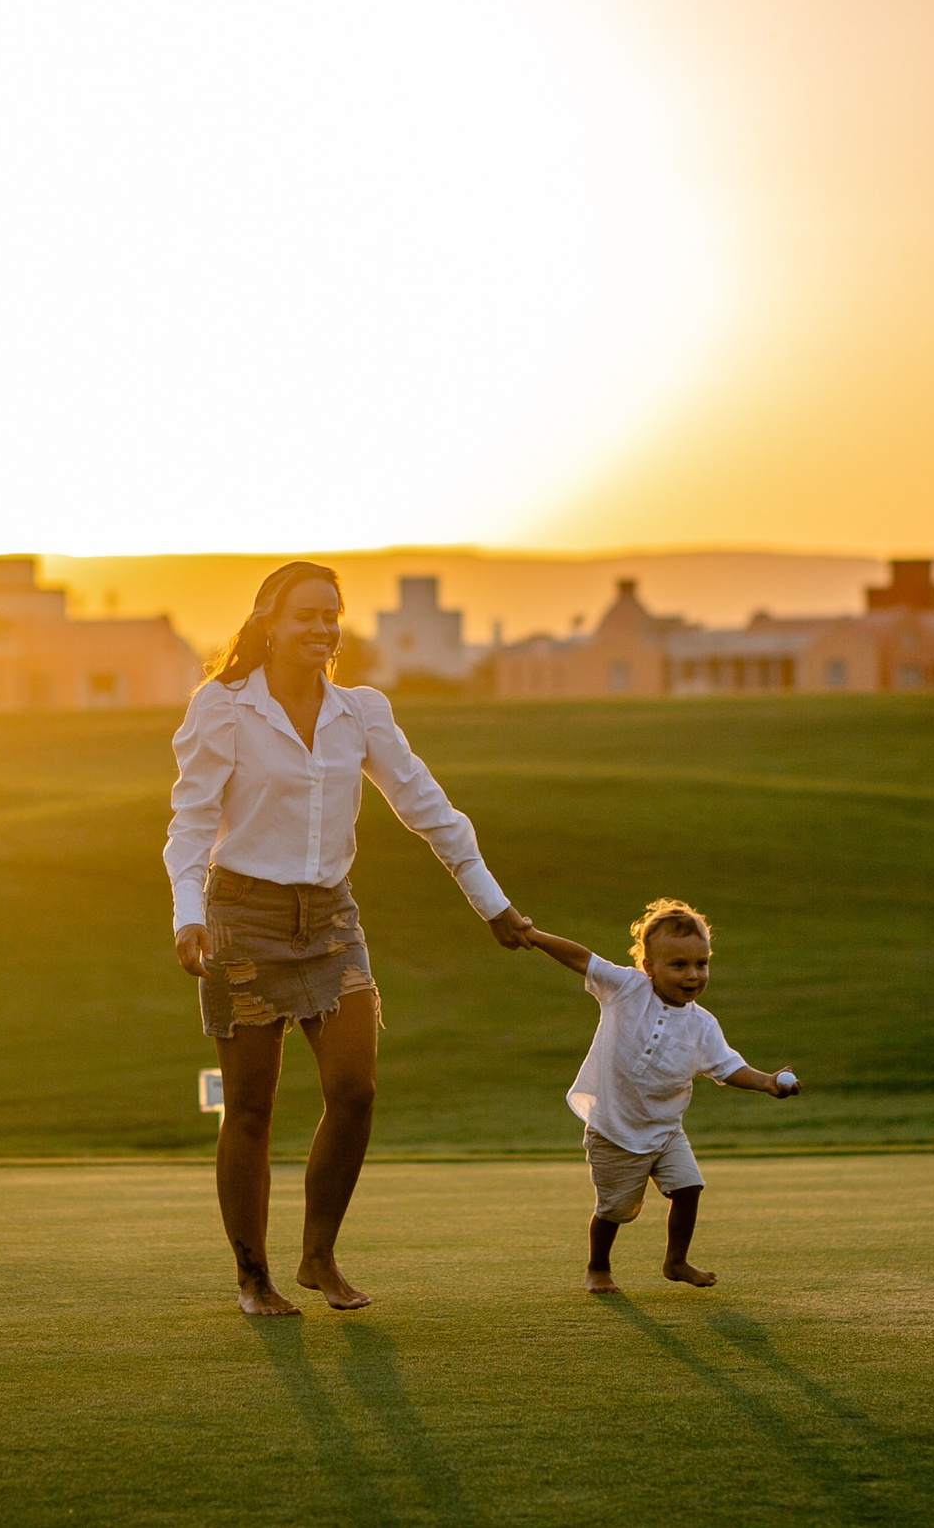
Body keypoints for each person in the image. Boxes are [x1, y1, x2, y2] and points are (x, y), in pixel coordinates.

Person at [167, 560, 535, 1316]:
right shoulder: (224, 707)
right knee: (250, 1109)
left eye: (332, 615)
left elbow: (429, 808)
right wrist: (186, 912)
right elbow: (193, 819)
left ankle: (318, 1255)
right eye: (306, 614)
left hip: (332, 919)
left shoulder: (361, 711)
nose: (322, 628)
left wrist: (493, 905)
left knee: (355, 1089)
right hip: (242, 915)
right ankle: (252, 1274)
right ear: (269, 620)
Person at [522, 899, 798, 1293]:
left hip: (666, 1129)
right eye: (678, 965)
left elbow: (726, 1066)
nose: (693, 975)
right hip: (614, 1129)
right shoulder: (626, 990)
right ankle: (598, 1266)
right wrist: (532, 936)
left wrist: (767, 1082)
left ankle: (676, 1261)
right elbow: (582, 959)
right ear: (648, 968)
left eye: (701, 964)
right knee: (614, 1210)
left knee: (689, 1189)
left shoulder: (702, 1024)